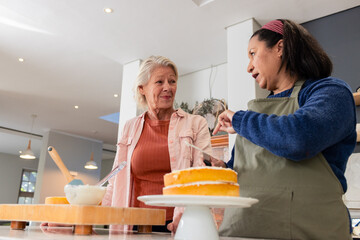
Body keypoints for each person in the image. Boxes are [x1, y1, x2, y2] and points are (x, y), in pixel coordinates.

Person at [212, 19, 357, 239]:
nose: (248, 67)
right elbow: (245, 172)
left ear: (280, 48)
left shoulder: (331, 92)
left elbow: (298, 139)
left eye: (253, 53)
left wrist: (240, 120)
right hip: (242, 232)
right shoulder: (253, 116)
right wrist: (220, 168)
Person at [102, 55, 212, 233]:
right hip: (133, 222)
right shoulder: (130, 127)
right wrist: (89, 216)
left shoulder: (196, 123)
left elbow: (202, 175)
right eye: (159, 82)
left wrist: (187, 218)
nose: (168, 87)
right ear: (142, 88)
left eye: (172, 81)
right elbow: (116, 179)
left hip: (177, 222)